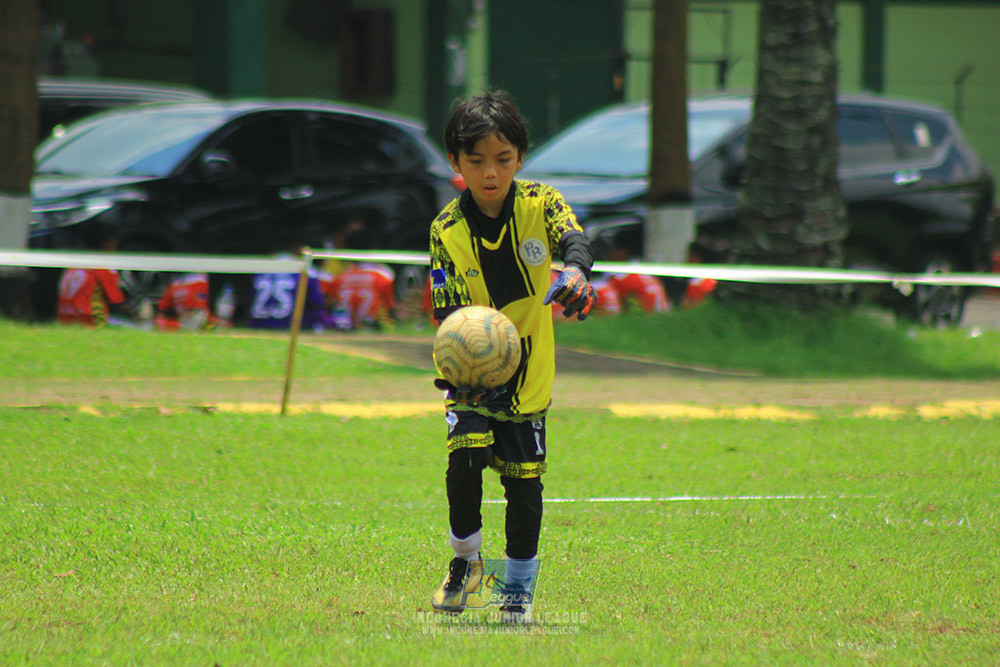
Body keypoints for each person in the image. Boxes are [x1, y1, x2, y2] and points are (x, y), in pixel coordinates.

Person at [428, 90, 596, 623]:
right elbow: (447, 307)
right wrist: (466, 362)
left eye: (502, 158)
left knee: (524, 487)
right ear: (455, 163)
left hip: (530, 376)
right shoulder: (444, 230)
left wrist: (575, 272)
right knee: (465, 456)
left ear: (520, 158)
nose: (490, 172)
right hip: (472, 371)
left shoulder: (540, 202)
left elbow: (575, 240)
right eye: (475, 160)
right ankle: (466, 563)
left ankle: (516, 592)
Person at [56, 221, 127, 327]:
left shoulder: (72, 265)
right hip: (89, 321)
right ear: (108, 244)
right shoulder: (103, 267)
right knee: (139, 328)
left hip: (64, 320)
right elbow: (117, 302)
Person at [248, 246, 334, 332]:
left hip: (258, 327)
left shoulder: (259, 272)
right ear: (299, 251)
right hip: (291, 327)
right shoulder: (305, 272)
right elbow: (316, 306)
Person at [324, 229, 396, 330]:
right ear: (374, 248)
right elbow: (390, 310)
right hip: (373, 330)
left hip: (344, 330)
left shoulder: (339, 278)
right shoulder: (384, 276)